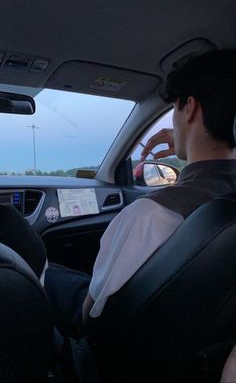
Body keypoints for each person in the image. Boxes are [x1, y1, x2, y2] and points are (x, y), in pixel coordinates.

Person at [45, 49, 236, 332]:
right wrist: (192, 141)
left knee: (36, 266)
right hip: (199, 344)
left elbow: (91, 314)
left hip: (113, 348)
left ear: (191, 107)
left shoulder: (150, 214)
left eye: (174, 109)